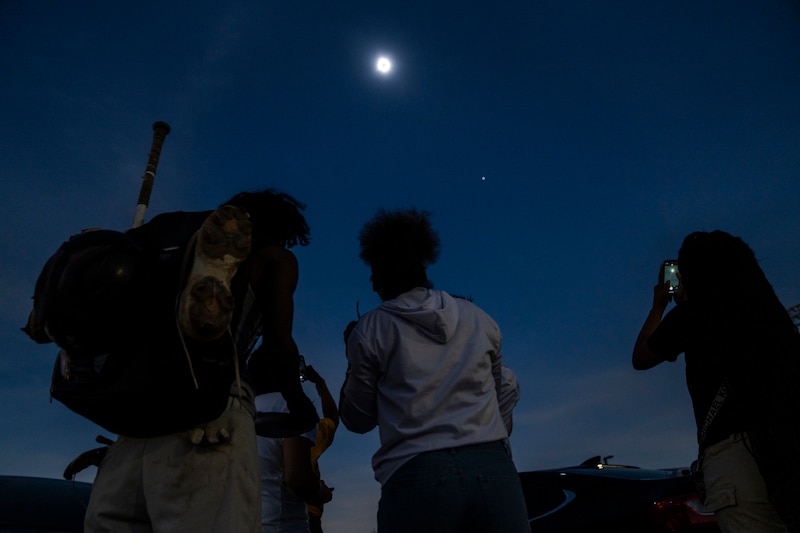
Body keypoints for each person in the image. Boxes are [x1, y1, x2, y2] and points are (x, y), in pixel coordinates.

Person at [82, 188, 318, 532]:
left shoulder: (168, 256)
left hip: (138, 419)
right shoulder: (273, 258)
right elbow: (277, 346)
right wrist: (298, 405)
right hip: (214, 408)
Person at [339, 208, 530, 533]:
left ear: (382, 275)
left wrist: (351, 355)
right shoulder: (479, 318)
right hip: (495, 473)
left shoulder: (372, 328)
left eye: (373, 273)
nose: (371, 283)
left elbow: (356, 419)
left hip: (417, 478)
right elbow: (500, 399)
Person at [632, 230, 800, 532]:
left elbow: (641, 357)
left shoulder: (694, 313)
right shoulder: (768, 313)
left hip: (734, 456)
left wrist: (660, 303)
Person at [255, 355, 334, 533]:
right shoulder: (292, 406)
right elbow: (297, 481)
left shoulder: (240, 412)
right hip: (286, 525)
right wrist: (319, 491)